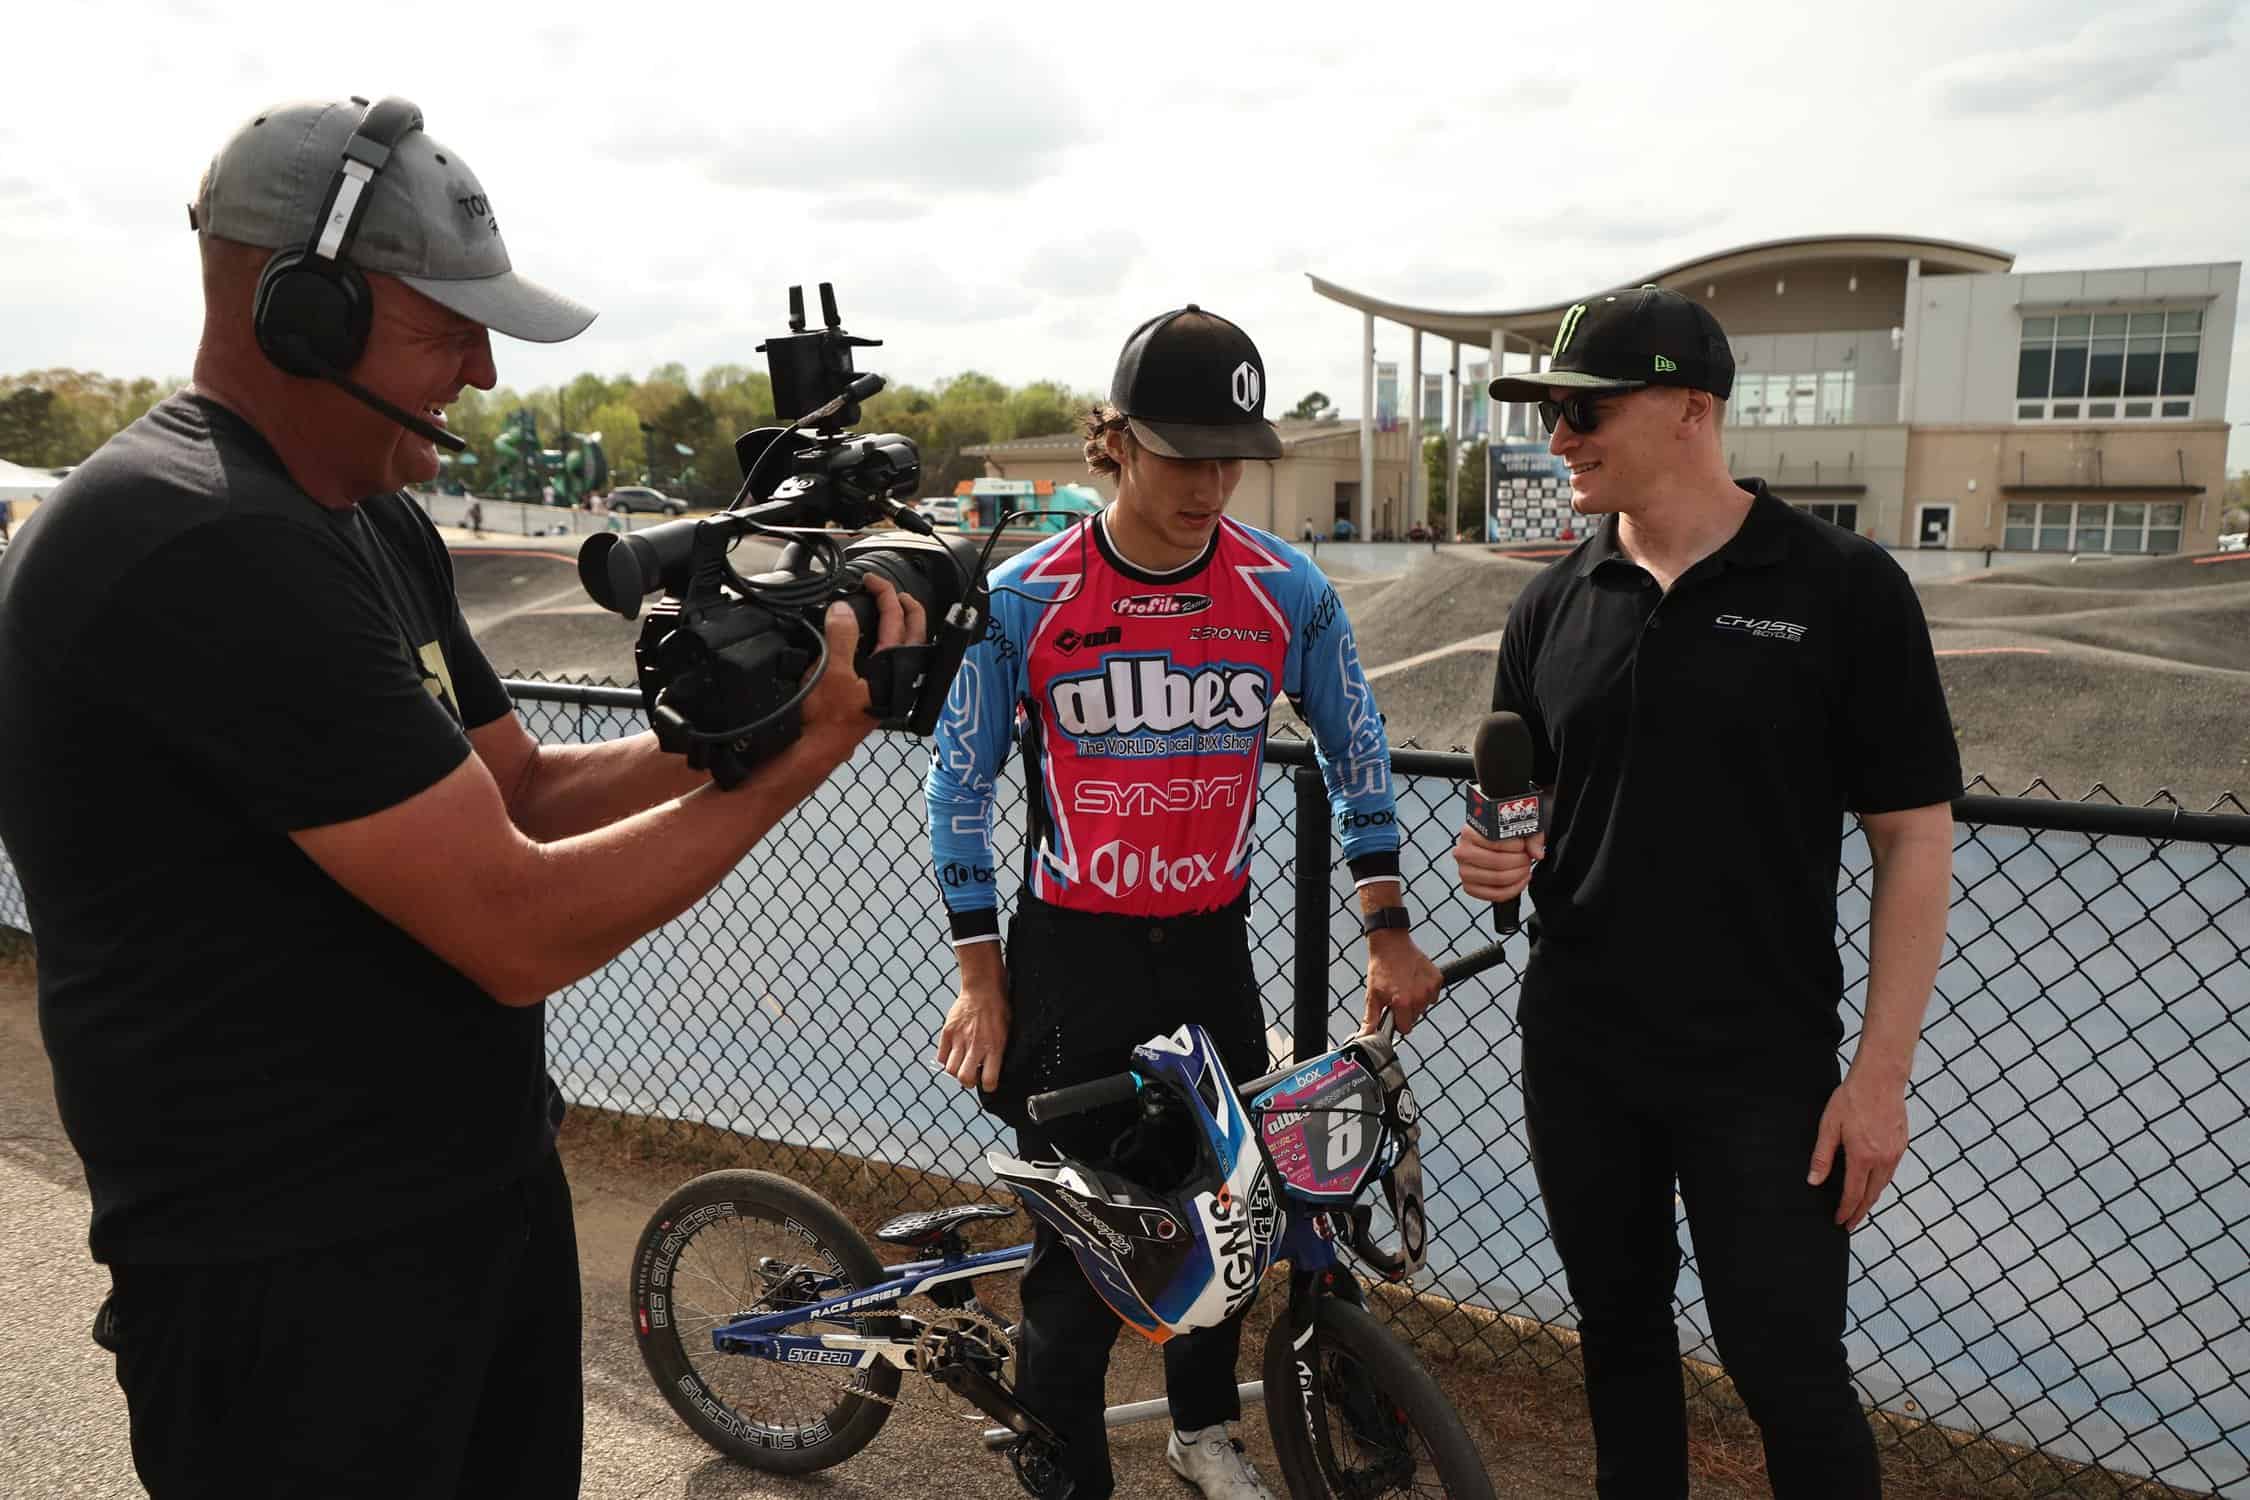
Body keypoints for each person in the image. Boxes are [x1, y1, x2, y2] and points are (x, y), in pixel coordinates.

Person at [0, 97, 918, 1500]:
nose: (483, 370)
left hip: (464, 1205)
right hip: (293, 1273)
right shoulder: (197, 534)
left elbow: (525, 788)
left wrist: (764, 712)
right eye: (447, 328)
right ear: (300, 313)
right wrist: (808, 758)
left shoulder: (362, 514)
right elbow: (517, 925)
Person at [928, 305, 1443, 1500]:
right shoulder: (1024, 596)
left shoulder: (1285, 589)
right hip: (1074, 961)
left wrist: (1388, 927)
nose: (1211, 485)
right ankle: (1068, 1470)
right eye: (1183, 456)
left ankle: (1203, 1434)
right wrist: (979, 980)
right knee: (1081, 1255)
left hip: (1211, 947)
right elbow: (958, 785)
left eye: (1232, 460)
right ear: (1116, 441)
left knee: (1232, 1223)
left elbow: (1358, 751)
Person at [1460, 286, 1957, 1499]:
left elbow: (1912, 838)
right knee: (1619, 1337)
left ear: (1690, 407)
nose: (1559, 437)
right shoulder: (1551, 602)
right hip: (1580, 1045)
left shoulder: (1843, 587)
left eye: (1584, 411)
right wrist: (1496, 857)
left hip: (1760, 1062)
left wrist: (1879, 1081)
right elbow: (1526, 805)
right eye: (1549, 413)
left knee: (1787, 1366)